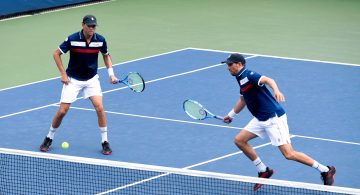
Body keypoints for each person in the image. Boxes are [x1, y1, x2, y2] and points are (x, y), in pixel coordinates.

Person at [221, 53, 336, 190]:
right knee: (239, 140)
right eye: (227, 65)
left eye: (230, 64)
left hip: (273, 118)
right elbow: (243, 99)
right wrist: (231, 115)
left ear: (239, 64)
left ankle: (325, 170)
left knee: (289, 154)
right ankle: (264, 170)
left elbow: (269, 80)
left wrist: (276, 91)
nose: (228, 68)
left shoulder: (249, 75)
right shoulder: (240, 78)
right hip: (260, 118)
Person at [40, 15, 118, 155]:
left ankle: (105, 142)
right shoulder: (72, 39)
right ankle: (49, 137)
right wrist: (63, 74)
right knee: (62, 111)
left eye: (94, 26)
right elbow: (56, 53)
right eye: (89, 26)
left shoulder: (100, 40)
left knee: (100, 108)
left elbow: (106, 55)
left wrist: (111, 74)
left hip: (91, 79)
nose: (92, 29)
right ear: (83, 25)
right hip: (73, 80)